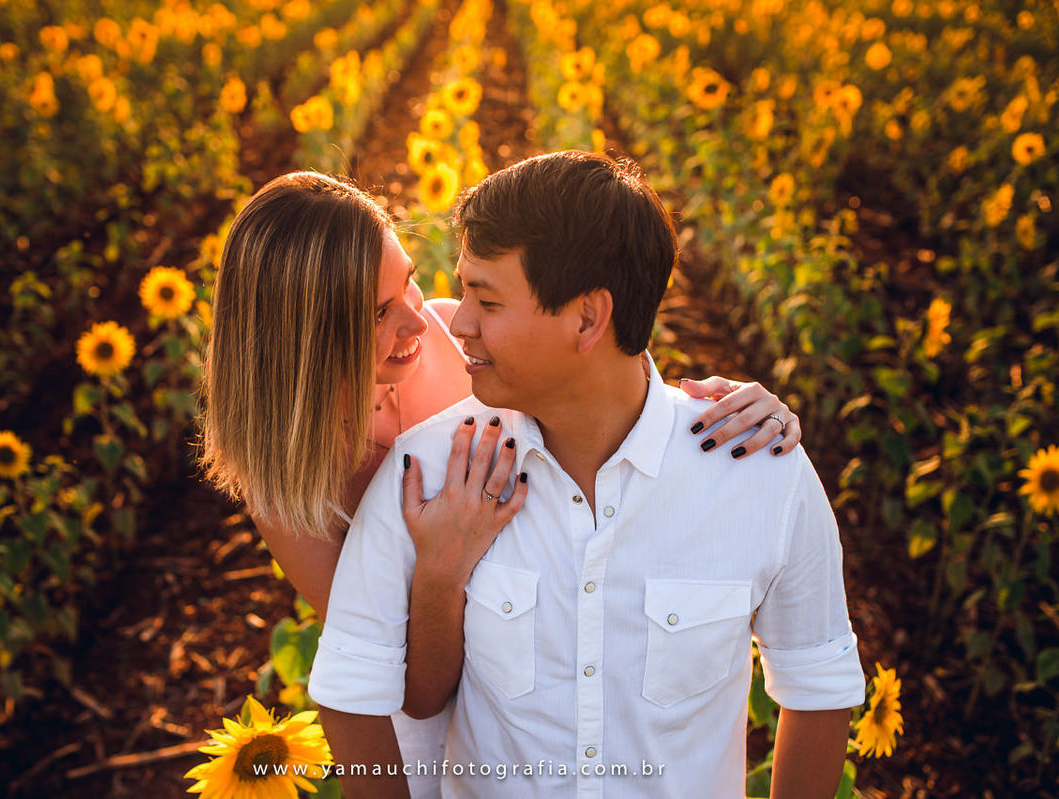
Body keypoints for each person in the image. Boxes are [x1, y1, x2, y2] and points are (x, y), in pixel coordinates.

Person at [199, 170, 806, 798]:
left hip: (545, 679)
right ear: (306, 338)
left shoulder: (454, 349)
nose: (418, 318)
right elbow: (404, 681)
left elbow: (594, 385)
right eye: (378, 313)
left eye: (407, 278)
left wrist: (740, 412)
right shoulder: (285, 482)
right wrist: (441, 564)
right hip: (431, 733)